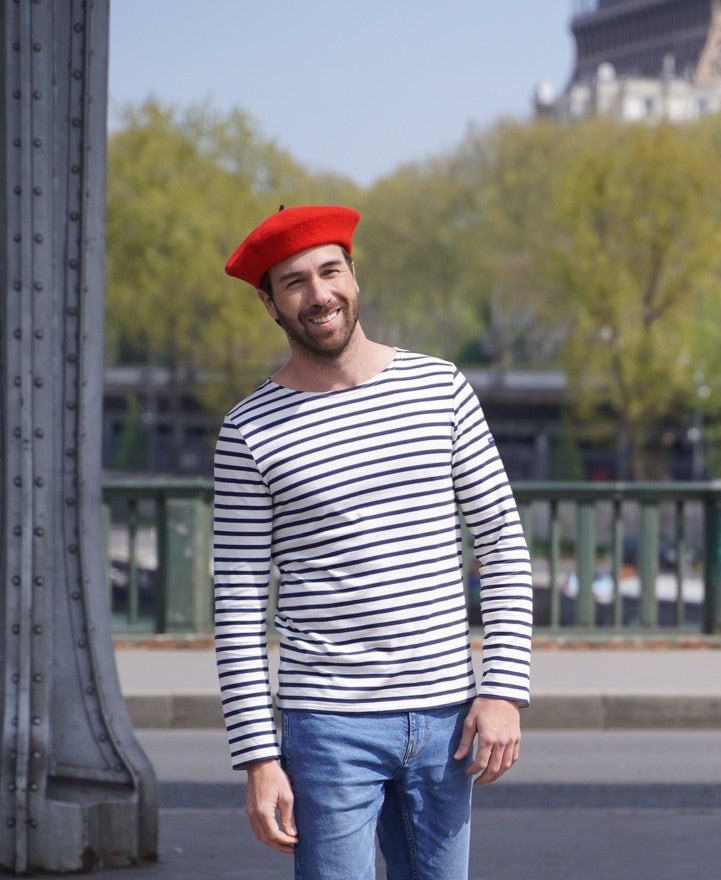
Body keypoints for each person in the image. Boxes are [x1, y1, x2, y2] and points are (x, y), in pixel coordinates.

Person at [212, 204, 533, 880]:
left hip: (448, 719)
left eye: (331, 271)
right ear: (270, 303)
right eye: (294, 282)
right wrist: (260, 760)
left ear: (354, 278)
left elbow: (501, 543)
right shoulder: (248, 431)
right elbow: (237, 606)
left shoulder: (440, 389)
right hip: (327, 727)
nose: (318, 293)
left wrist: (502, 688)